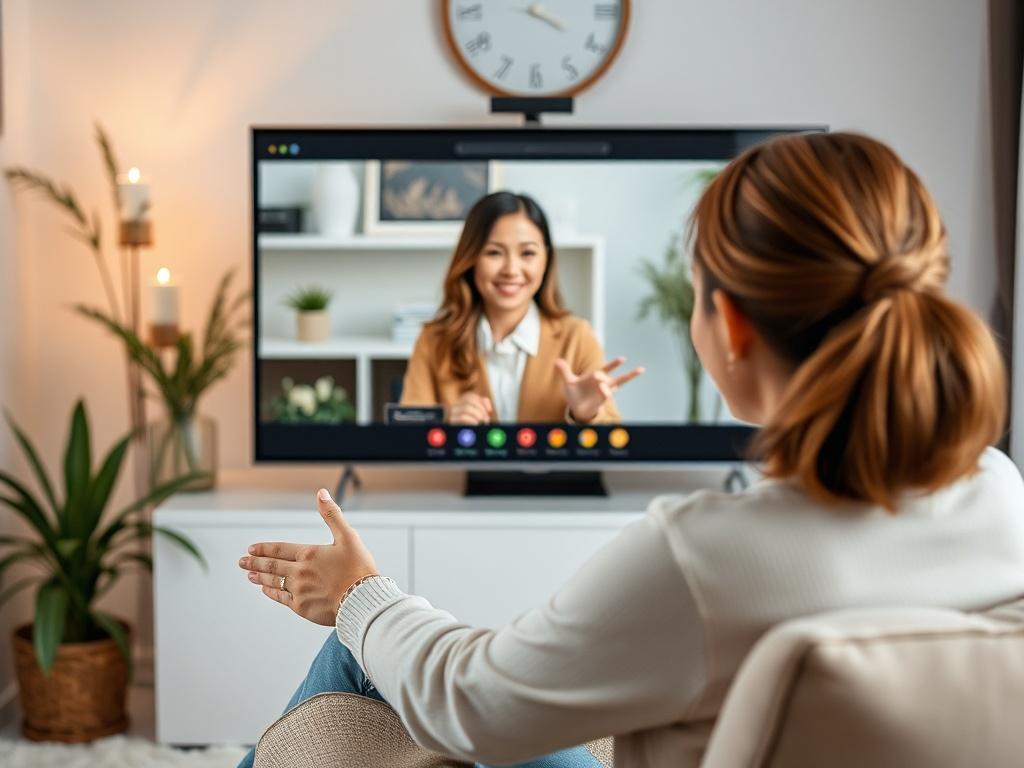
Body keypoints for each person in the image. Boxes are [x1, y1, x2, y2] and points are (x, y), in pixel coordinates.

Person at [237, 133, 1024, 768]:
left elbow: (477, 708)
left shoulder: (704, 557)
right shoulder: (1000, 489)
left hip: (500, 699)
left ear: (731, 325)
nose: (513, 268)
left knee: (361, 650)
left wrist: (359, 595)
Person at [400, 191, 643, 424]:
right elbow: (406, 436)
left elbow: (612, 441)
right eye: (494, 253)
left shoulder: (577, 336)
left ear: (546, 260)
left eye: (527, 253)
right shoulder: (434, 340)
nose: (511, 270)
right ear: (471, 258)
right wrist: (447, 420)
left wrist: (585, 414)